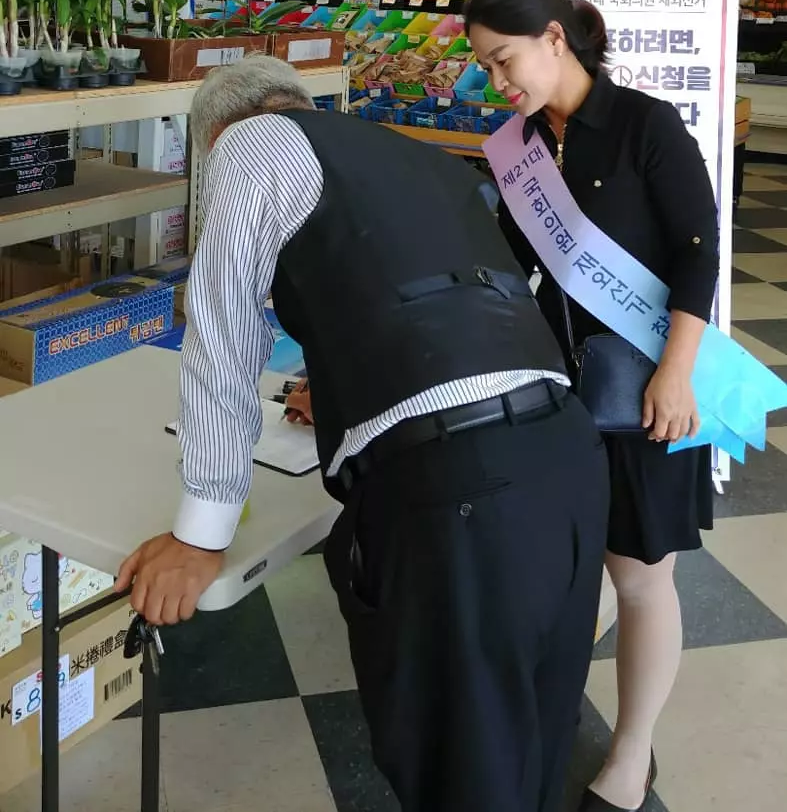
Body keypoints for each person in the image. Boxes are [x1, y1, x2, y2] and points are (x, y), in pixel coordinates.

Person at [116, 54, 609, 812]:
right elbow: (455, 304)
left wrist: (200, 532)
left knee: (463, 774)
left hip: (458, 495)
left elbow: (221, 335)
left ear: (216, 134)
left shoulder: (248, 143)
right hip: (565, 459)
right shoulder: (415, 159)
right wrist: (353, 377)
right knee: (530, 751)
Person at [465, 0, 719, 812]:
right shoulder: (522, 146)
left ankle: (633, 748)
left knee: (642, 573)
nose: (500, 85)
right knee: (570, 562)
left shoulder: (645, 123)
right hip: (558, 386)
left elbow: (697, 252)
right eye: (488, 70)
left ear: (552, 37)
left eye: (505, 63)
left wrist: (676, 371)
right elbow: (506, 263)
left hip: (647, 386)